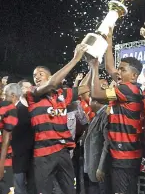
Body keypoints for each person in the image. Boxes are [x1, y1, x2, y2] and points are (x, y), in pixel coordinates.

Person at [26, 44, 89, 194]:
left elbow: (86, 88)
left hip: (63, 151)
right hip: (44, 154)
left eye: (40, 73)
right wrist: (75, 59)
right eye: (35, 75)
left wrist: (93, 66)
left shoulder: (62, 95)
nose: (37, 77)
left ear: (50, 75)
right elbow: (52, 84)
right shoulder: (32, 93)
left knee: (69, 190)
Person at [89, 55, 144, 194]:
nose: (118, 72)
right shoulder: (127, 91)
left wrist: (94, 67)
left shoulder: (126, 90)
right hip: (124, 154)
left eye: (122, 69)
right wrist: (109, 36)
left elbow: (95, 93)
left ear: (134, 76)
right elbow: (109, 67)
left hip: (124, 156)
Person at [3, 83, 34, 194]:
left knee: (20, 187)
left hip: (21, 157)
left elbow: (24, 136)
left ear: (13, 96)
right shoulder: (17, 109)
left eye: (4, 95)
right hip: (20, 156)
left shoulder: (21, 110)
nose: (3, 98)